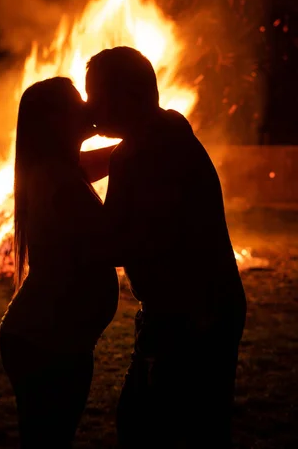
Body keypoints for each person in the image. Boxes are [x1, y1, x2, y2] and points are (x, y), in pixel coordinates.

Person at [85, 46, 247, 449]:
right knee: (192, 423)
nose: (90, 107)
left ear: (127, 97)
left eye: (96, 95)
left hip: (192, 317)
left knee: (154, 425)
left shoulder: (146, 153)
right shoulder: (166, 129)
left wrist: (67, 236)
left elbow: (121, 241)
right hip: (201, 309)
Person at [0, 77, 119, 448]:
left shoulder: (60, 168)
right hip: (48, 343)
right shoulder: (60, 182)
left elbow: (120, 155)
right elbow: (113, 244)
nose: (87, 106)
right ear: (54, 120)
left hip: (49, 338)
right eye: (76, 102)